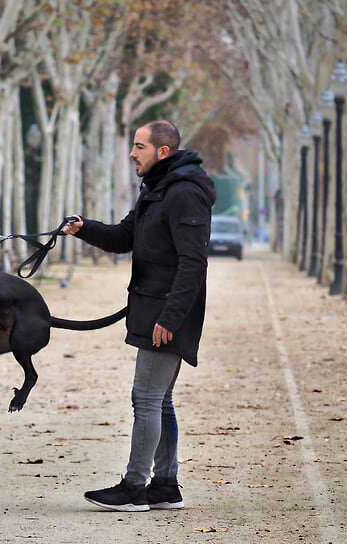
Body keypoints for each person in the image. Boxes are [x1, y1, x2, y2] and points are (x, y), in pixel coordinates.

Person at [62, 120, 216, 512]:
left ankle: (134, 487)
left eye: (139, 146)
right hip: (154, 308)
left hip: (165, 315)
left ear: (162, 152)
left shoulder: (183, 194)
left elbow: (193, 262)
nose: (132, 153)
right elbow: (124, 237)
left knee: (145, 398)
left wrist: (170, 317)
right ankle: (164, 486)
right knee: (160, 401)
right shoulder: (159, 190)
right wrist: (83, 229)